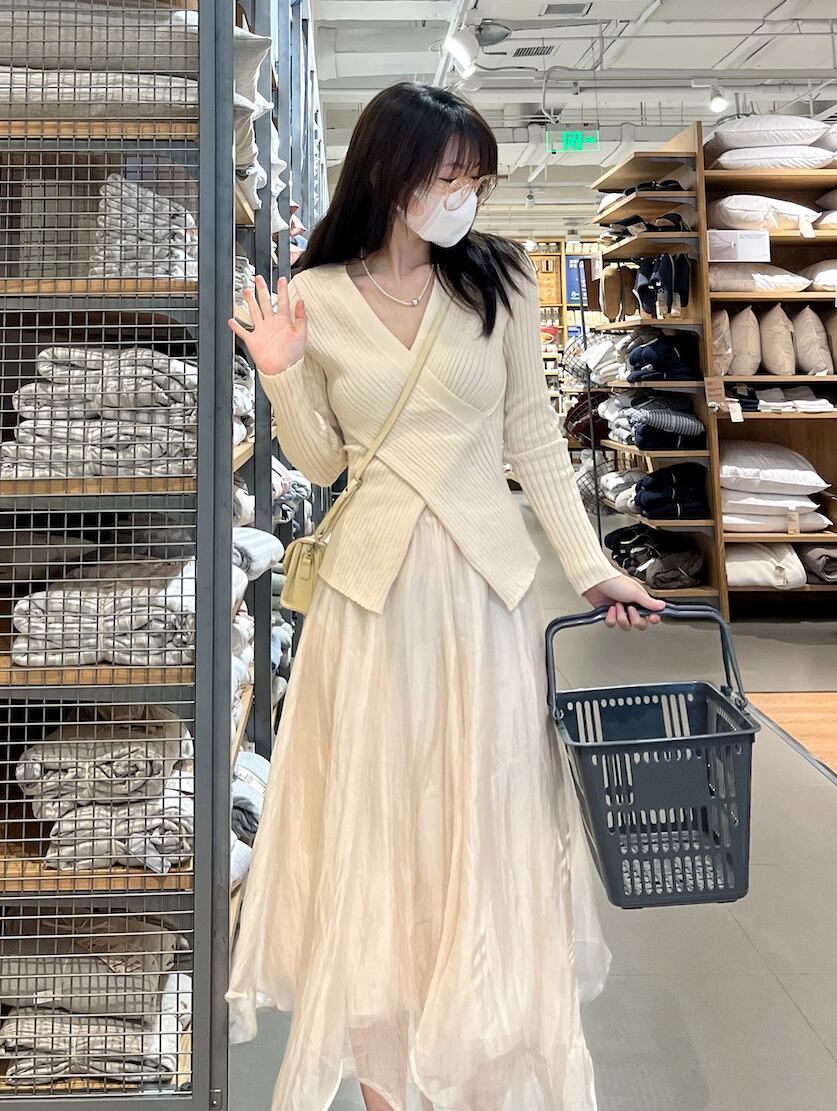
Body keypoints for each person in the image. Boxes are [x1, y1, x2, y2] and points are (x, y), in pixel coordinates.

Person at [226, 82, 664, 1111]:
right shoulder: (317, 292)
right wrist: (281, 373)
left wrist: (590, 563)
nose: (463, 196)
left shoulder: (500, 279)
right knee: (378, 836)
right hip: (371, 603)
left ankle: (479, 1077)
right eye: (447, 176)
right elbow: (321, 461)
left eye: (475, 179)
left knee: (487, 829)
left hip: (482, 595)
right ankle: (388, 1086)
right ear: (389, 172)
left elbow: (531, 437)